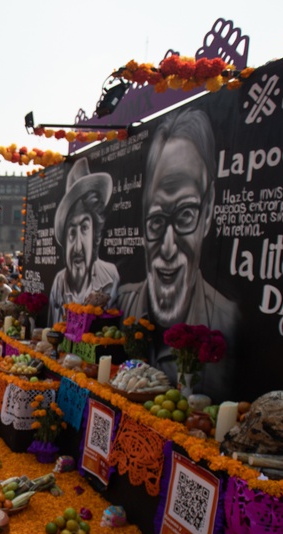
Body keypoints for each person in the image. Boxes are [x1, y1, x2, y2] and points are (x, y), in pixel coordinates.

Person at [117, 107, 238, 395]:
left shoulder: (228, 321)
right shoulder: (122, 303)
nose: (169, 247)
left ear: (207, 212)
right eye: (157, 220)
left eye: (185, 215)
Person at [47, 158, 117, 326]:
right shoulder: (59, 283)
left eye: (84, 228)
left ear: (95, 233)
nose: (77, 246)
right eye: (71, 232)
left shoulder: (110, 277)